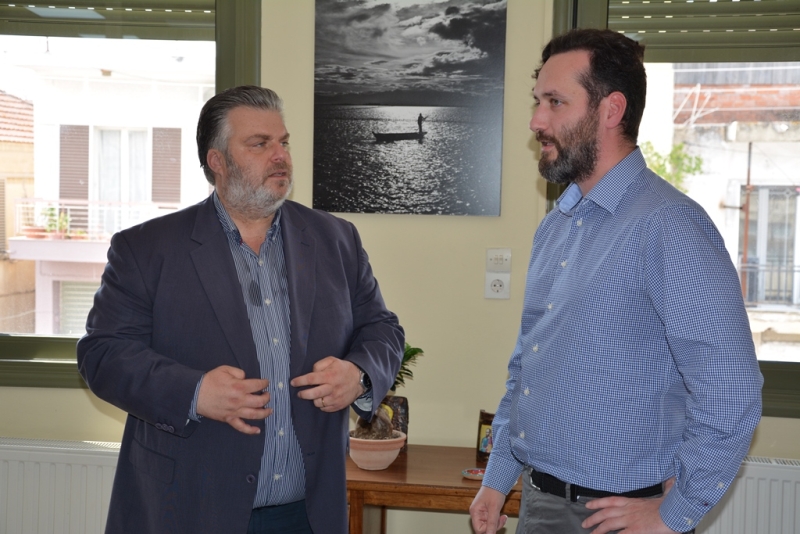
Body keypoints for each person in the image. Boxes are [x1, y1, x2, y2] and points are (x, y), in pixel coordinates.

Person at [469, 29, 762, 534]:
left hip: (618, 517)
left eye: (555, 102)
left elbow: (731, 388)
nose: (536, 120)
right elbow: (529, 369)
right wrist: (497, 480)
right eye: (538, 101)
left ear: (611, 109)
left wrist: (674, 512)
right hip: (539, 503)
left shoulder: (670, 226)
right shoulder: (554, 228)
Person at [77, 85, 404, 534]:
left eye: (283, 142)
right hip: (188, 509)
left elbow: (382, 328)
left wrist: (360, 374)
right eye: (260, 143)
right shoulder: (147, 248)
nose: (280, 156)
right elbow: (103, 355)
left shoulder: (335, 238)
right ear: (217, 161)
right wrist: (194, 393)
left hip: (307, 513)